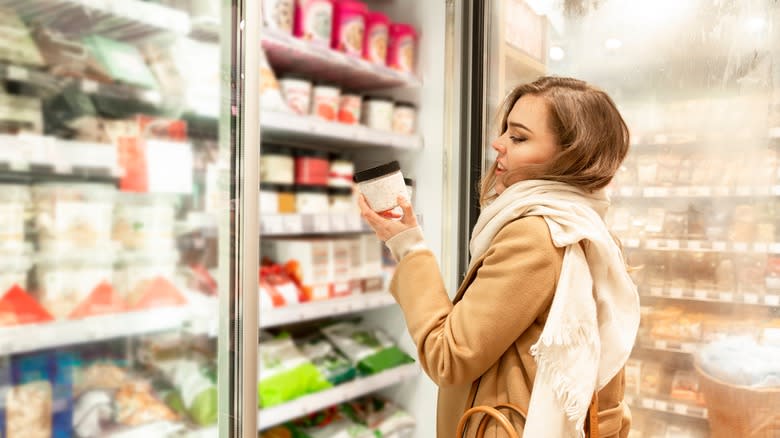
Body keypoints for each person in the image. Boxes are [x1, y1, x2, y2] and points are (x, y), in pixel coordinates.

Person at [358, 76, 641, 438]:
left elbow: (449, 356)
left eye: (518, 137)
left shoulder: (536, 235)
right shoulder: (587, 227)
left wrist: (408, 247)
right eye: (506, 131)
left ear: (571, 155)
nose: (498, 144)